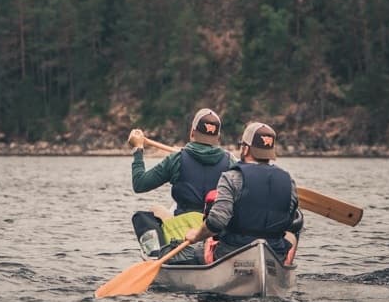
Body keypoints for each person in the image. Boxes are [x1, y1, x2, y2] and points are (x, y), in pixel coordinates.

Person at [175, 120, 303, 265]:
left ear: (246, 149)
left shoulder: (231, 177)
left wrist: (196, 236)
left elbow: (216, 222)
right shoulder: (289, 181)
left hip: (232, 252)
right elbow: (290, 220)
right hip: (274, 254)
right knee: (295, 229)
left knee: (205, 240)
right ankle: (284, 266)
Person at [126, 108, 231, 256]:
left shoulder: (176, 160)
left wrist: (138, 149)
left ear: (192, 133)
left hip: (183, 232)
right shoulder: (230, 162)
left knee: (155, 209)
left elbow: (140, 184)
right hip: (215, 231)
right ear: (218, 138)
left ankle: (158, 254)